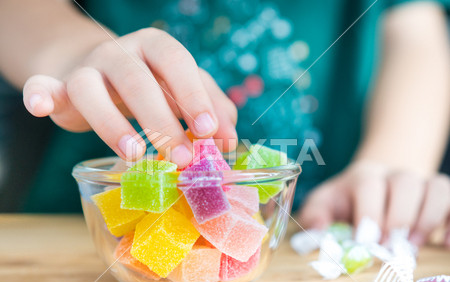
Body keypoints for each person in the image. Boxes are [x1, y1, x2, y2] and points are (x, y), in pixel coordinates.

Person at [0, 0, 449, 247]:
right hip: (73, 235)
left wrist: (393, 161)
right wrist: (76, 58)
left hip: (314, 223)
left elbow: (415, 26)